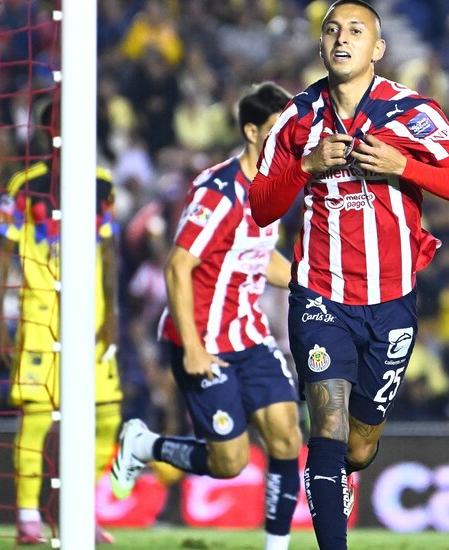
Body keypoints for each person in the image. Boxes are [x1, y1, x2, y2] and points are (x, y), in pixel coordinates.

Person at [248, 2, 449, 548]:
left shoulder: (411, 112)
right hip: (320, 296)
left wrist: (405, 167)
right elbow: (261, 207)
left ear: (377, 48)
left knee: (359, 444)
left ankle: (345, 478)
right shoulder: (295, 120)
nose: (342, 39)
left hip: (391, 300)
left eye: (356, 31)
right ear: (320, 46)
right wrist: (305, 167)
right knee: (327, 430)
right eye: (332, 30)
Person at [109, 82, 303, 550]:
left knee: (286, 439)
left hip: (251, 338)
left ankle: (277, 548)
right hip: (206, 342)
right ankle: (145, 445)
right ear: (252, 131)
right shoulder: (220, 192)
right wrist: (193, 347)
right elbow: (179, 265)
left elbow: (262, 257)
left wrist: (314, 283)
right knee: (229, 463)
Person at [0, 96, 122, 545]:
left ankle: (79, 510)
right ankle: (28, 515)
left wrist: (113, 318)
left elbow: (109, 251)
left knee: (106, 417)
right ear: (51, 131)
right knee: (38, 416)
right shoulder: (24, 187)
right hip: (41, 318)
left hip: (92, 323)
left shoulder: (102, 185)